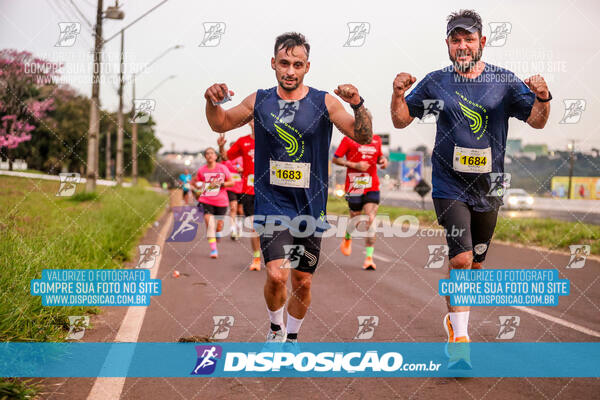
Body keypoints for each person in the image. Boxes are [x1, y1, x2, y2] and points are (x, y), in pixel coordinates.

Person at [390, 9, 550, 367]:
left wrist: (543, 97)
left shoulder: (504, 82)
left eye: (469, 39)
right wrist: (398, 93)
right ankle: (460, 340)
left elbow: (538, 123)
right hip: (449, 184)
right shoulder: (436, 82)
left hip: (489, 188)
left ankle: (453, 317)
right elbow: (400, 121)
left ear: (482, 42)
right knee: (460, 258)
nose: (462, 45)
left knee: (475, 265)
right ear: (447, 43)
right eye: (455, 39)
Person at [205, 32, 373, 343]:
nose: (290, 71)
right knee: (276, 274)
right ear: (273, 64)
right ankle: (274, 329)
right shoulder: (260, 100)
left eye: (297, 64)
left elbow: (362, 135)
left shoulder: (323, 101)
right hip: (272, 203)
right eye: (284, 63)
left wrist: (358, 105)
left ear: (307, 66)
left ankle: (292, 337)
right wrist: (211, 101)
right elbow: (221, 123)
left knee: (303, 281)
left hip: (311, 205)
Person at [333, 134, 388, 270]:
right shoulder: (348, 139)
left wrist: (383, 160)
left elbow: (379, 156)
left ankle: (369, 259)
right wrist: (354, 164)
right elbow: (336, 159)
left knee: (370, 219)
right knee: (356, 219)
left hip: (372, 185)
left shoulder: (376, 139)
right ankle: (347, 237)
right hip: (354, 185)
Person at [218, 121, 262, 271]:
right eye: (253, 119)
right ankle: (256, 258)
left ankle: (273, 257)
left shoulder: (271, 138)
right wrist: (221, 147)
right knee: (254, 226)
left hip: (269, 191)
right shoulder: (243, 142)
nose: (256, 122)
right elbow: (225, 157)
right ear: (250, 122)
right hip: (249, 191)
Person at [191, 147, 234, 259]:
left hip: (221, 201)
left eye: (212, 153)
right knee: (210, 224)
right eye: (207, 154)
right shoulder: (202, 170)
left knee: (219, 226)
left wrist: (221, 184)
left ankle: (218, 232)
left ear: (216, 156)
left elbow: (232, 182)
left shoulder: (222, 168)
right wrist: (196, 188)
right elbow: (196, 182)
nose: (209, 155)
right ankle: (214, 249)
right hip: (206, 200)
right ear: (205, 157)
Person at [222, 151, 244, 240]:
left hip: (242, 188)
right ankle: (233, 230)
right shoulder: (227, 161)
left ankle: (240, 228)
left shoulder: (243, 159)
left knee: (240, 210)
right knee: (233, 208)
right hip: (231, 189)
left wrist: (242, 170)